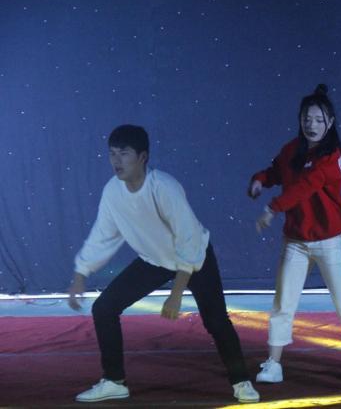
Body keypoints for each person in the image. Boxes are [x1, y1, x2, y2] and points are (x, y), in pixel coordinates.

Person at [68, 124, 259, 404]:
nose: (116, 161)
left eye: (124, 154)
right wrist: (80, 274)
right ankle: (114, 381)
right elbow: (103, 234)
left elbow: (189, 240)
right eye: (112, 154)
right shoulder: (112, 192)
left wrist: (176, 293)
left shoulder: (164, 188)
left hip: (195, 259)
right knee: (104, 308)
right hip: (154, 260)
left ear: (143, 157)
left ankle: (241, 381)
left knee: (216, 320)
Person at [247, 84, 341, 385]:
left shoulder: (332, 157)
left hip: (330, 240)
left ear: (330, 123)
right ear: (300, 119)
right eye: (307, 118)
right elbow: (276, 171)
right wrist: (259, 180)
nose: (312, 125)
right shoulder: (291, 149)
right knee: (283, 303)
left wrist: (273, 208)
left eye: (319, 120)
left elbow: (305, 186)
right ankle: (274, 364)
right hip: (296, 241)